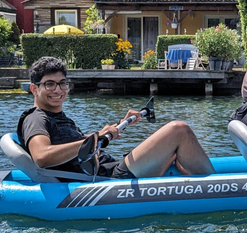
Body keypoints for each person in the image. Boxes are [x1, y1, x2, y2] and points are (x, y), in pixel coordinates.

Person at [18, 56, 215, 179]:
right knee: (178, 129)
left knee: (175, 149)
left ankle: (200, 179)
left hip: (110, 168)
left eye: (62, 83)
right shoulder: (36, 118)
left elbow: (79, 144)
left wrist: (116, 126)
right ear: (34, 88)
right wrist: (94, 137)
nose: (58, 90)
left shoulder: (56, 116)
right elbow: (42, 157)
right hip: (110, 177)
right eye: (50, 84)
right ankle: (218, 187)